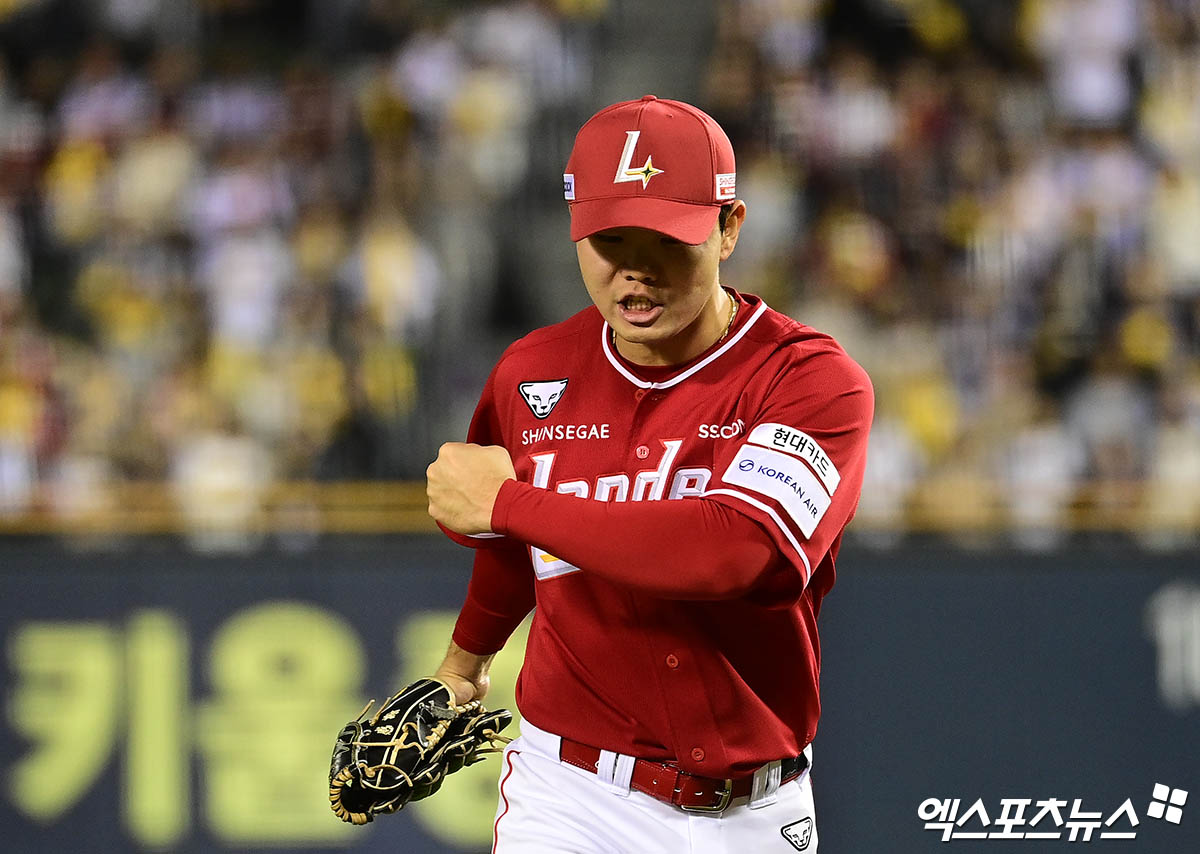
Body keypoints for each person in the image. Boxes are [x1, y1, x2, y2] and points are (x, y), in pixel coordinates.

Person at [425, 95, 873, 854]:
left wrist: (509, 501)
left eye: (667, 238)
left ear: (729, 227)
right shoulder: (531, 373)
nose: (635, 268)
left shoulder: (810, 380)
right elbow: (513, 547)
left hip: (752, 811)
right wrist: (464, 664)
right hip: (571, 795)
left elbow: (736, 553)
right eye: (609, 238)